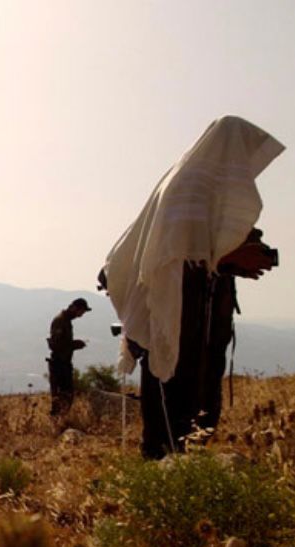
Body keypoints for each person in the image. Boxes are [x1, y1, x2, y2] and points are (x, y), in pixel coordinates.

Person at [102, 116, 283, 459]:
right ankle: (163, 466)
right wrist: (228, 258)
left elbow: (200, 249)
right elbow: (176, 254)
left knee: (197, 392)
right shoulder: (191, 184)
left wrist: (230, 261)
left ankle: (183, 463)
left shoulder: (202, 185)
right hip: (178, 311)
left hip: (200, 313)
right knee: (173, 391)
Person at [46, 298, 90, 416]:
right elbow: (56, 345)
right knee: (60, 398)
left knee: (66, 396)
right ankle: (56, 424)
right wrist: (74, 345)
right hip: (58, 364)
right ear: (74, 308)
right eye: (81, 312)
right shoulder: (60, 321)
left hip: (64, 363)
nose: (81, 315)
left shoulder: (66, 321)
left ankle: (61, 421)